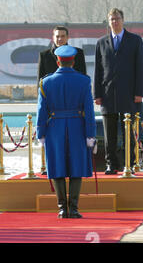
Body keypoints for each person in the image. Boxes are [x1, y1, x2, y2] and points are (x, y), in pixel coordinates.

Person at [36, 45, 96, 219]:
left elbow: (41, 110)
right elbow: (89, 111)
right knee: (76, 167)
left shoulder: (45, 82)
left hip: (54, 128)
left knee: (57, 167)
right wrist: (90, 134)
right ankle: (74, 208)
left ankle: (62, 208)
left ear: (58, 61)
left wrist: (41, 132)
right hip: (78, 127)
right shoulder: (84, 81)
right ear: (74, 61)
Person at [94, 8, 143, 175]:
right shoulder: (101, 42)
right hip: (108, 95)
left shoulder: (135, 40)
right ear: (108, 22)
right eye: (112, 19)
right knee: (110, 135)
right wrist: (97, 94)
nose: (115, 22)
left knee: (128, 134)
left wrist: (139, 92)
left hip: (129, 95)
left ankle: (128, 164)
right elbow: (98, 70)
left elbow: (140, 68)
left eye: (117, 19)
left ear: (123, 20)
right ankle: (111, 164)